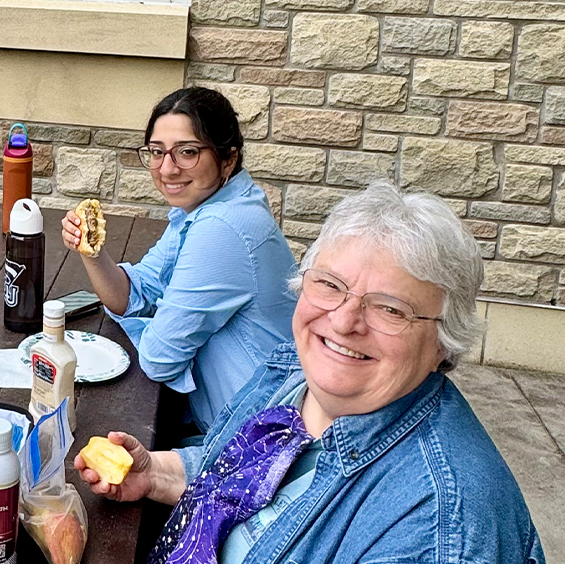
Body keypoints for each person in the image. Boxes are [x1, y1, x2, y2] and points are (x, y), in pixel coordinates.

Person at [75, 182, 545, 564]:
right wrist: (154, 473)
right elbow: (243, 478)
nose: (343, 321)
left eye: (390, 309)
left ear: (443, 341)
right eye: (329, 285)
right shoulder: (296, 374)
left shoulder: (438, 525)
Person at [61, 87, 297, 434]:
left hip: (256, 443)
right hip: (234, 426)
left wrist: (158, 321)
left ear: (228, 158)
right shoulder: (204, 209)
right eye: (157, 152)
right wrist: (91, 253)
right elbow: (135, 294)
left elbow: (158, 358)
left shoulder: (223, 227)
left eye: (187, 152)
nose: (167, 169)